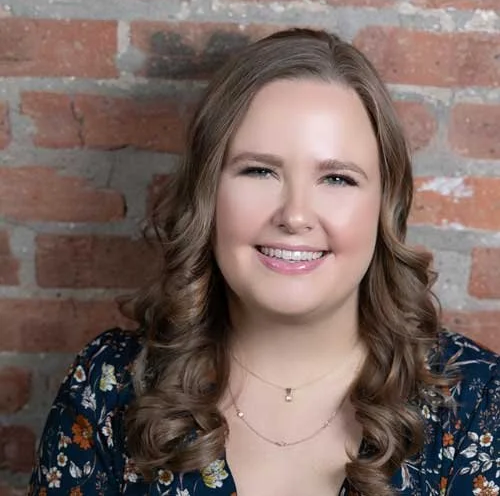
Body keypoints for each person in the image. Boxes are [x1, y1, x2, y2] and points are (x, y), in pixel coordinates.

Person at [28, 28, 499, 496]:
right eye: (259, 170)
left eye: (336, 178)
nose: (294, 216)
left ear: (385, 205)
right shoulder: (110, 385)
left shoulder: (477, 400)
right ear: (208, 191)